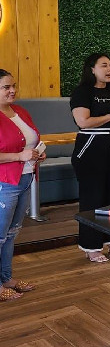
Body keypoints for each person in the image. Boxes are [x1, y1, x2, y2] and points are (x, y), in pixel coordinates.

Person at [70, 53, 110, 263]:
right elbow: (83, 122)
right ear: (92, 69)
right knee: (92, 198)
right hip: (91, 145)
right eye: (104, 65)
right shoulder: (82, 92)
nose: (109, 69)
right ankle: (91, 246)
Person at [0, 69, 45, 301]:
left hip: (26, 178)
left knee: (11, 234)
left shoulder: (20, 111)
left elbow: (30, 142)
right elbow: (17, 152)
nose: (12, 90)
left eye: (13, 86)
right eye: (6, 87)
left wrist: (37, 153)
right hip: (5, 182)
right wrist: (19, 156)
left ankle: (6, 278)